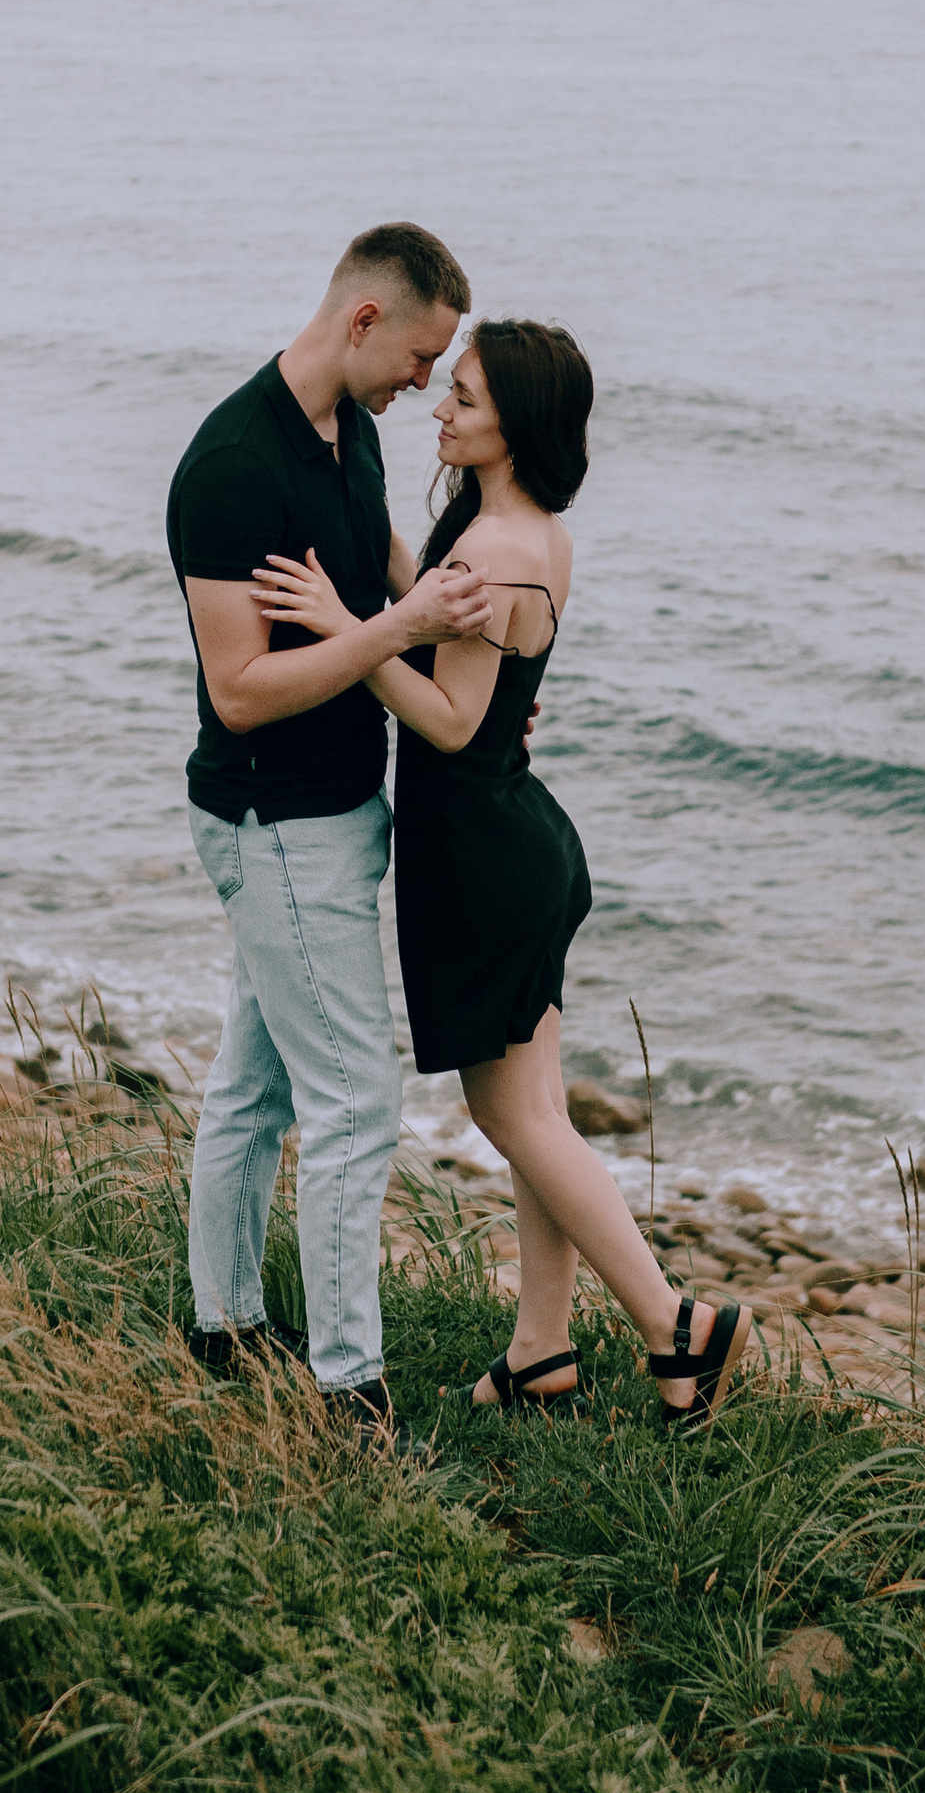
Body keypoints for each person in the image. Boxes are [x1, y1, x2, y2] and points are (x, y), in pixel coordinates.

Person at [252, 320, 748, 1433]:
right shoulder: (517, 526)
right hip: (517, 841)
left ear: (514, 423)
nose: (442, 408)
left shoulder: (496, 550)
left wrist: (352, 629)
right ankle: (540, 1351)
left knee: (514, 1117)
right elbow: (437, 604)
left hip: (480, 854)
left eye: (464, 398)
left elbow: (448, 716)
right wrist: (369, 542)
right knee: (537, 1114)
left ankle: (677, 1325)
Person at [168, 223, 493, 1437]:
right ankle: (348, 1392)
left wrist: (430, 601)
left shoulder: (344, 427)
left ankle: (223, 1324)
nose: (424, 385)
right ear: (363, 321)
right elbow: (240, 685)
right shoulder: (229, 465)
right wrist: (395, 629)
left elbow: (377, 569)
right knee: (356, 1097)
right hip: (274, 820)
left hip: (337, 817)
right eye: (419, 356)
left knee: (254, 1087)